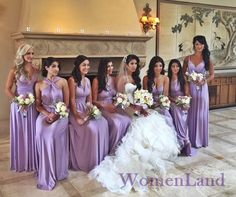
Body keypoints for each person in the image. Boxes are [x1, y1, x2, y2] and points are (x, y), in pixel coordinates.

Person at [89, 54, 179, 194]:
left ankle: (153, 155)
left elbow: (138, 95)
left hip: (135, 106)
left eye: (136, 64)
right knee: (140, 124)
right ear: (126, 65)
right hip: (125, 107)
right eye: (131, 63)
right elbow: (120, 98)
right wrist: (135, 108)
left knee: (151, 120)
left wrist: (142, 105)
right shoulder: (121, 79)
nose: (134, 66)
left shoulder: (136, 78)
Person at [68, 55, 109, 172]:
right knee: (91, 129)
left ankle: (100, 159)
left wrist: (92, 111)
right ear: (78, 66)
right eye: (84, 65)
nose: (87, 67)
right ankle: (88, 161)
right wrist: (77, 115)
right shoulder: (72, 80)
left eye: (88, 65)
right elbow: (71, 100)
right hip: (76, 109)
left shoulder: (87, 80)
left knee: (103, 123)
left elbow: (89, 100)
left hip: (86, 108)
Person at [35, 57, 69, 190]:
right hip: (44, 114)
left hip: (61, 115)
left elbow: (66, 103)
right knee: (39, 134)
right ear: (46, 68)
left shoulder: (63, 82)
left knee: (50, 136)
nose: (57, 69)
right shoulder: (38, 84)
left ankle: (56, 170)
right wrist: (47, 114)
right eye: (53, 66)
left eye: (58, 66)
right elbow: (38, 105)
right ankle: (43, 169)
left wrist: (56, 114)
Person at [5, 43, 38, 172]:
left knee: (32, 133)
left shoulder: (36, 70)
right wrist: (18, 101)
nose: (30, 56)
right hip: (18, 106)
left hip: (32, 105)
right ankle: (21, 161)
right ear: (22, 55)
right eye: (28, 53)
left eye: (32, 53)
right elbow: (7, 89)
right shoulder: (14, 70)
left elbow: (37, 88)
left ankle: (32, 161)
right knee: (20, 133)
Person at [92, 58, 131, 154]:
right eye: (108, 66)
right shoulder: (96, 80)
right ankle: (113, 149)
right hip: (102, 107)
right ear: (103, 68)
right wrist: (104, 106)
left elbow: (117, 95)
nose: (110, 68)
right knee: (116, 123)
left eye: (111, 66)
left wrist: (117, 102)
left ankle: (123, 148)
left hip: (113, 106)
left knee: (128, 119)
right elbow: (93, 101)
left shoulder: (113, 79)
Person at [183, 35, 214, 148]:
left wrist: (204, 81)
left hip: (202, 88)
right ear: (194, 45)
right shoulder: (187, 58)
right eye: (197, 44)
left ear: (204, 45)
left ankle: (201, 140)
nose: (199, 46)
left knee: (201, 114)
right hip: (191, 88)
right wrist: (187, 84)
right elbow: (183, 73)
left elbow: (212, 75)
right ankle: (190, 139)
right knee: (190, 112)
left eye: (201, 44)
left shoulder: (207, 59)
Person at [168, 59, 192, 156]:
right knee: (176, 110)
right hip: (173, 102)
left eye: (177, 66)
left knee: (183, 112)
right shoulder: (168, 78)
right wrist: (176, 101)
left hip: (182, 102)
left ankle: (185, 141)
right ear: (170, 68)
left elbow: (187, 93)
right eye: (173, 66)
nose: (175, 68)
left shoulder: (183, 78)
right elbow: (168, 95)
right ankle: (181, 141)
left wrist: (185, 101)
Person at [143, 56, 174, 128]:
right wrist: (150, 105)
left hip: (161, 105)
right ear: (152, 67)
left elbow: (165, 95)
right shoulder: (146, 78)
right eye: (156, 66)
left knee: (166, 117)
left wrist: (158, 104)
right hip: (149, 105)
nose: (158, 68)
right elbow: (145, 95)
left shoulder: (165, 78)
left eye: (160, 66)